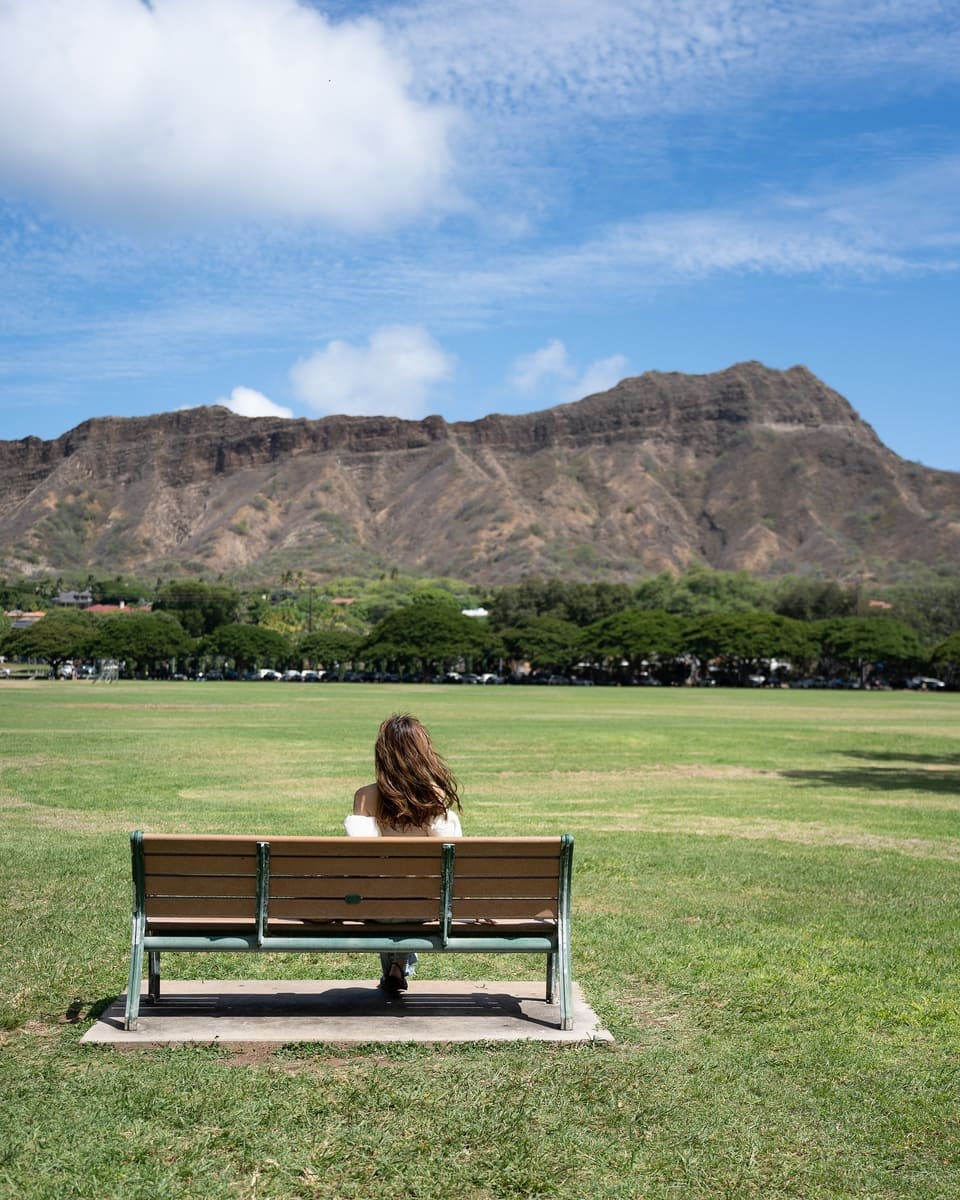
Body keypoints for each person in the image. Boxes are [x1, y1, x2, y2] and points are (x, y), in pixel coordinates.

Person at [345, 713, 462, 992]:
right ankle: (398, 967)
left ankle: (396, 968)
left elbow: (364, 859)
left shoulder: (365, 796)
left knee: (386, 895)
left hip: (375, 905)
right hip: (425, 905)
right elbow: (450, 857)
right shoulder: (434, 797)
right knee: (410, 898)